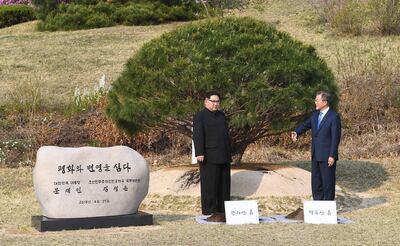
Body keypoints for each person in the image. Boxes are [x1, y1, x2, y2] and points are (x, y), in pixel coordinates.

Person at [291, 91, 341, 200]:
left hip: (327, 156)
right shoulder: (315, 115)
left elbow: (335, 138)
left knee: (328, 183)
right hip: (315, 155)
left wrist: (332, 155)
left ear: (325, 102)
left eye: (317, 100)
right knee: (316, 183)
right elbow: (305, 125)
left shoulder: (334, 116)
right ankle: (318, 206)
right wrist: (296, 132)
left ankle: (327, 207)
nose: (315, 102)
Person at [193, 91, 232, 222]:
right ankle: (209, 209)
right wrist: (199, 152)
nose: (215, 104)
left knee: (224, 183)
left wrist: (229, 152)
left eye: (217, 101)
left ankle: (223, 209)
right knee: (210, 184)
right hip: (208, 155)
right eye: (213, 101)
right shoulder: (200, 116)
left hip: (223, 154)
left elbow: (226, 135)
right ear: (206, 101)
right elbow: (198, 135)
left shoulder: (222, 115)